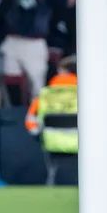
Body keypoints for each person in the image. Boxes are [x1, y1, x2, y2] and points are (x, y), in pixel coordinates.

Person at [24, 55, 78, 185]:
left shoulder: (44, 95)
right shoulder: (88, 94)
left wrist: (39, 134)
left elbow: (30, 122)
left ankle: (51, 181)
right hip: (81, 143)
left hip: (51, 143)